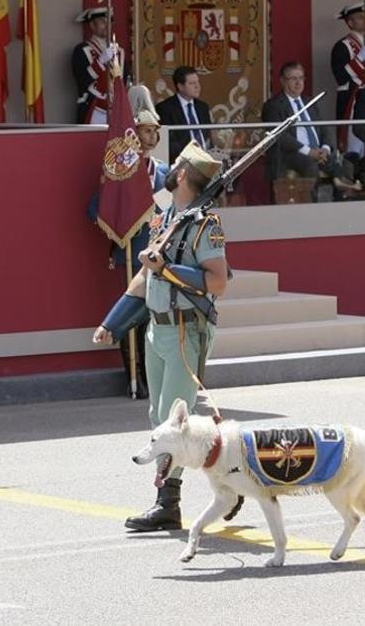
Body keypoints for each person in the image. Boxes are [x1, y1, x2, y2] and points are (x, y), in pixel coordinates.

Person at [92, 142, 228, 532]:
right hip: (157, 327)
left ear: (183, 174)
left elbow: (218, 282)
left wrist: (167, 268)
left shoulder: (205, 224)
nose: (170, 169)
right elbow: (144, 277)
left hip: (186, 330)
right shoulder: (165, 216)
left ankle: (168, 502)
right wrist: (113, 322)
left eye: (177, 165)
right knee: (158, 417)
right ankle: (224, 484)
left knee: (173, 422)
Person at [87, 85, 170, 399]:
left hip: (160, 252)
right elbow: (96, 207)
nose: (152, 136)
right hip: (133, 250)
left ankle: (155, 374)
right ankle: (134, 377)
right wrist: (118, 222)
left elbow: (173, 206)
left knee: (155, 316)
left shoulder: (163, 172)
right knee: (131, 317)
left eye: (154, 130)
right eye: (145, 130)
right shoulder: (121, 171)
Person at [262, 61, 360, 199]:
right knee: (310, 163)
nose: (298, 83)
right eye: (293, 79)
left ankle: (343, 198)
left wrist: (325, 148)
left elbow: (324, 129)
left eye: (301, 78)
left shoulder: (309, 102)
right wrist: (309, 152)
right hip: (290, 154)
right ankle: (313, 204)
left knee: (345, 163)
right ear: (283, 81)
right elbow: (280, 136)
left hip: (317, 151)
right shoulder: (273, 105)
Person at [330, 2, 365, 158]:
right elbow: (340, 77)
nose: (364, 20)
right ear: (350, 22)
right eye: (359, 17)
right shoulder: (342, 46)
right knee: (352, 143)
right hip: (350, 98)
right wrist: (359, 59)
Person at [155, 66, 212, 165]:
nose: (197, 86)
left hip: (205, 160)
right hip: (181, 162)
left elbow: (208, 136)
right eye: (192, 83)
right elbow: (167, 143)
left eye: (197, 82)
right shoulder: (165, 108)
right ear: (180, 86)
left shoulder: (203, 107)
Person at [72, 7, 119, 125]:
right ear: (92, 25)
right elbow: (82, 80)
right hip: (92, 107)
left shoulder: (119, 51)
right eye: (103, 21)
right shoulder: (81, 50)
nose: (107, 24)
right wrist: (100, 61)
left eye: (109, 21)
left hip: (116, 108)